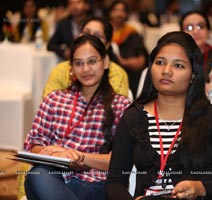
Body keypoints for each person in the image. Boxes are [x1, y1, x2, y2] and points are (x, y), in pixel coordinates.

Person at [106, 31, 212, 200]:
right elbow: (114, 183)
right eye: (160, 63)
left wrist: (200, 188)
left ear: (193, 74)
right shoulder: (133, 117)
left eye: (178, 65)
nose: (166, 71)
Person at [24, 34, 132, 200]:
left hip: (95, 182)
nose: (86, 69)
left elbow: (121, 160)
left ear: (105, 62)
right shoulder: (54, 99)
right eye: (79, 63)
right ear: (71, 68)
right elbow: (33, 144)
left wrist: (78, 157)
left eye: (92, 61)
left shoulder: (121, 105)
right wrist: (56, 155)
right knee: (37, 173)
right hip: (52, 176)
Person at [43, 16, 129, 98]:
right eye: (86, 33)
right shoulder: (60, 70)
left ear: (107, 45)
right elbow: (48, 105)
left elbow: (118, 110)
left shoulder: (117, 74)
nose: (89, 39)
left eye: (97, 36)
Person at [109, 0, 148, 98]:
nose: (119, 14)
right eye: (115, 10)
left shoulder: (132, 33)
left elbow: (141, 62)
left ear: (126, 14)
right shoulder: (103, 32)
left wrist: (123, 62)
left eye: (122, 11)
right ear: (110, 12)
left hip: (129, 75)